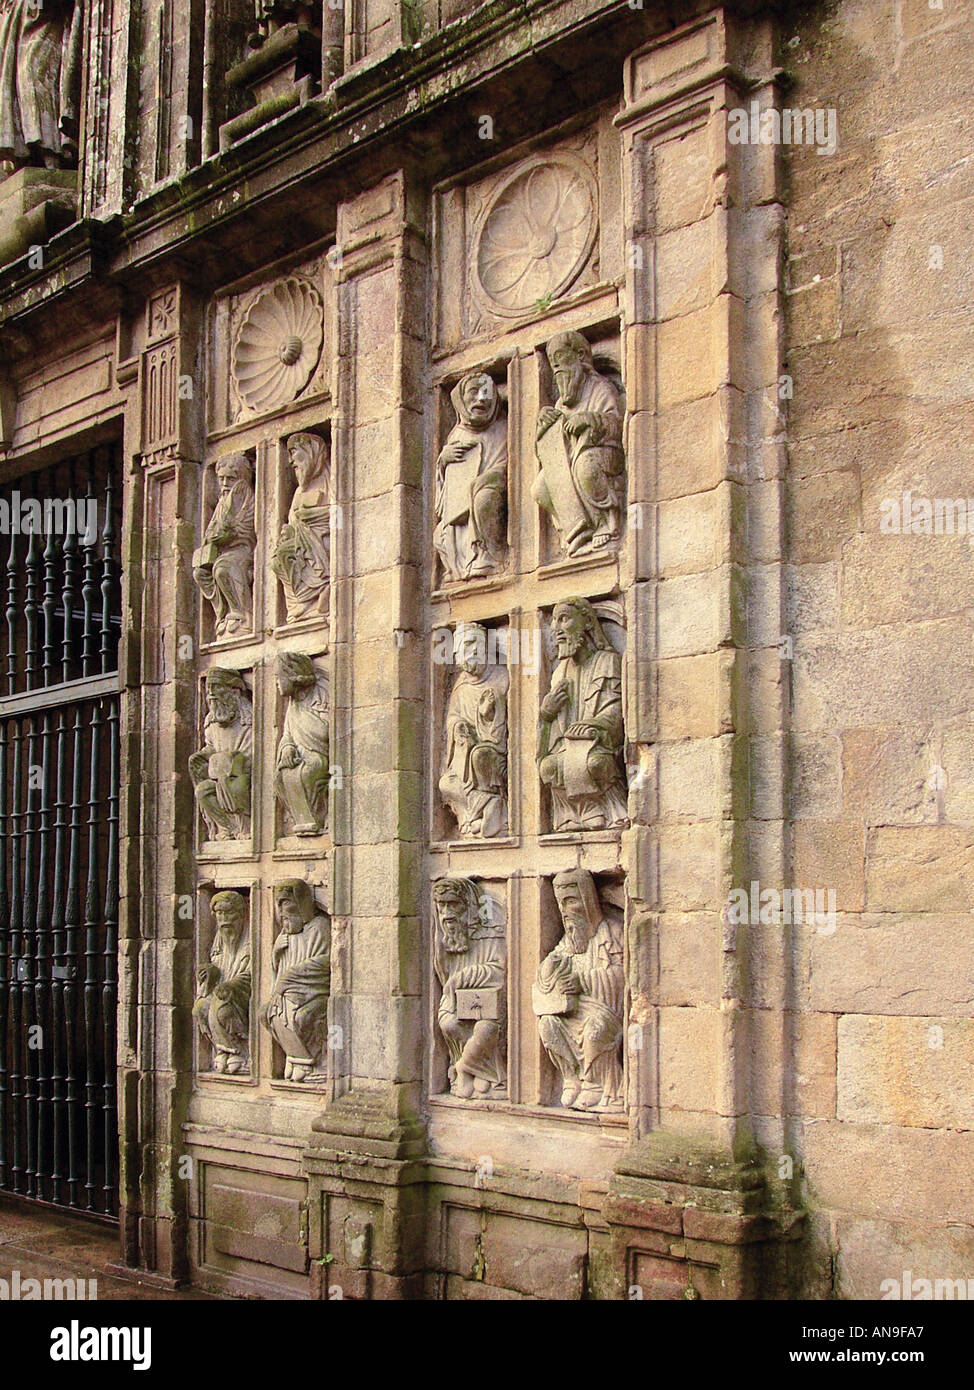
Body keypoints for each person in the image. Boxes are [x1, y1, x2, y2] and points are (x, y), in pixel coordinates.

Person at [534, 870, 624, 1111]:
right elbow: (553, 968)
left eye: (571, 900)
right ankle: (572, 1078)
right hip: (573, 1011)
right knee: (548, 1025)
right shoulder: (570, 939)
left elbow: (621, 977)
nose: (564, 909)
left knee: (595, 1030)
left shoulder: (612, 933)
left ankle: (595, 1083)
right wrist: (550, 974)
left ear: (587, 900)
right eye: (561, 902)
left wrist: (582, 981)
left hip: (604, 1011)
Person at [433, 372, 507, 582]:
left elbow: (504, 465)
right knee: (440, 535)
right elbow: (447, 487)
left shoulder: (501, 429)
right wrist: (443, 461)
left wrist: (486, 480)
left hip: (489, 491)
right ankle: (458, 568)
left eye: (487, 393)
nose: (481, 398)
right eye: (474, 392)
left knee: (483, 499)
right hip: (460, 507)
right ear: (461, 400)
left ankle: (488, 556)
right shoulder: (456, 435)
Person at [194, 891, 252, 1075]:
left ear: (242, 914)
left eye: (229, 913)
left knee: (223, 1009)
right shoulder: (220, 936)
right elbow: (217, 963)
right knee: (201, 1008)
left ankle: (240, 1051)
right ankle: (222, 1049)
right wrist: (209, 972)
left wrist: (231, 986)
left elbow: (251, 972)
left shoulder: (250, 937)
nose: (224, 919)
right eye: (219, 914)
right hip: (222, 989)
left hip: (240, 993)